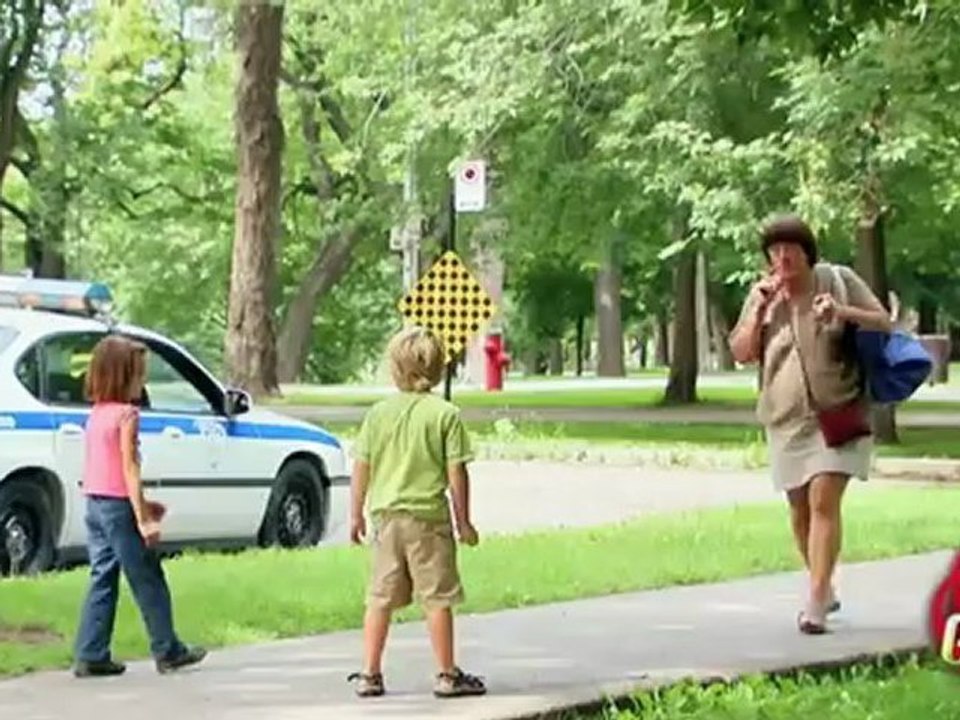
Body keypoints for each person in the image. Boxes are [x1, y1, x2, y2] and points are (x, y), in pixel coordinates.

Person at [729, 215, 892, 635]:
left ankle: (816, 600)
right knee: (800, 509)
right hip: (785, 418)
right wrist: (760, 308)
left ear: (807, 252)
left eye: (791, 249)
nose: (783, 257)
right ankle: (823, 584)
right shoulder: (762, 296)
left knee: (823, 500)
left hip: (838, 408)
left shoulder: (837, 280)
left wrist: (841, 311)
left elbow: (884, 321)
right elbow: (742, 352)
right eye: (775, 250)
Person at [348, 326, 486, 699]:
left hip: (385, 519)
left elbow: (362, 466)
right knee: (436, 597)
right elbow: (457, 472)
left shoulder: (378, 414)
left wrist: (355, 514)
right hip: (428, 521)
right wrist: (464, 522)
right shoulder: (445, 414)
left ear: (395, 369)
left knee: (379, 597)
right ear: (439, 368)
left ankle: (370, 673)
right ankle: (446, 673)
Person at [73, 335, 206, 677]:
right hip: (119, 507)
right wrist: (143, 517)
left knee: (102, 576)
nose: (143, 381)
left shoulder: (97, 414)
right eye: (139, 374)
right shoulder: (127, 415)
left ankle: (90, 652)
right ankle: (168, 649)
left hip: (95, 503)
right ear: (122, 376)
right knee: (148, 577)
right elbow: (129, 468)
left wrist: (144, 503)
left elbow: (104, 469)